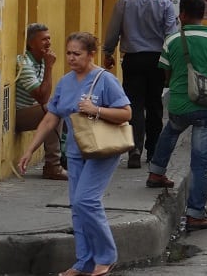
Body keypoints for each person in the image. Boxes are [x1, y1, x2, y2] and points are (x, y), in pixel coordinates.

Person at [19, 32, 131, 276]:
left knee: (86, 201)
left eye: (77, 54)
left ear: (91, 54)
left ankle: (106, 256)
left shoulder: (105, 80)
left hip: (103, 149)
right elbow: (51, 117)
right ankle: (84, 262)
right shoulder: (65, 81)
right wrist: (30, 149)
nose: (71, 58)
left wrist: (96, 110)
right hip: (76, 151)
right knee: (77, 207)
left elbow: (126, 113)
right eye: (69, 53)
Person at [146, 0, 207, 231]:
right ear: (202, 14)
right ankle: (195, 213)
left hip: (178, 104)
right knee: (200, 161)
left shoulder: (172, 40)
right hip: (205, 106)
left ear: (183, 14)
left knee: (171, 131)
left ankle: (156, 172)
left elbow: (164, 73)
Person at [103, 0, 178, 168]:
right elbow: (171, 36)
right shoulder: (165, 4)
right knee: (155, 105)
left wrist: (108, 52)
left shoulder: (124, 2)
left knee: (133, 104)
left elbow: (113, 32)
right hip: (157, 60)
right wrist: (170, 64)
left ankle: (135, 148)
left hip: (133, 60)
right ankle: (153, 150)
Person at [15, 23, 68, 181]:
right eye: (44, 39)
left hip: (34, 110)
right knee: (54, 110)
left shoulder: (42, 60)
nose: (49, 43)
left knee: (65, 105)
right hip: (19, 115)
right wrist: (50, 67)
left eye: (49, 38)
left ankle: (68, 157)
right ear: (31, 43)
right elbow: (42, 97)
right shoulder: (24, 62)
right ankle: (53, 166)